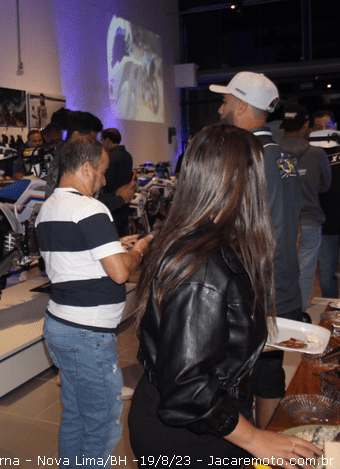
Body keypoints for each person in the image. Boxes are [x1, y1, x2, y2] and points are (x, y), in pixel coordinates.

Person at [128, 124, 322, 469]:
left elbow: (200, 338)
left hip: (206, 417)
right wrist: (256, 439)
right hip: (186, 437)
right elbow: (187, 389)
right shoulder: (201, 266)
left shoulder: (207, 241)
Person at [35, 135, 152, 468]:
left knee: (75, 416)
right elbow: (120, 273)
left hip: (60, 325)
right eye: (101, 171)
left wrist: (115, 245)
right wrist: (138, 250)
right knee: (101, 424)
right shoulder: (89, 208)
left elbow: (77, 256)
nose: (103, 180)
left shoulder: (48, 208)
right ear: (86, 168)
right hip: (87, 333)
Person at [210, 71, 300, 428]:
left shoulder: (245, 158)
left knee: (238, 374)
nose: (221, 109)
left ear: (243, 106)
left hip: (251, 289)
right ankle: (268, 445)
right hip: (283, 284)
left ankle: (251, 446)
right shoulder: (284, 157)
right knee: (269, 372)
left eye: (226, 101)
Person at [277, 104, 331, 310]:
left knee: (278, 277)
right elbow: (324, 186)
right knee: (305, 277)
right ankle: (298, 318)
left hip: (280, 224)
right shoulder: (317, 154)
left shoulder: (272, 152)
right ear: (306, 125)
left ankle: (280, 318)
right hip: (309, 220)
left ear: (282, 124)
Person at [311, 110, 340, 298]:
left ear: (335, 127)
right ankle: (333, 310)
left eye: (327, 126)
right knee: (327, 272)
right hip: (325, 223)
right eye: (319, 127)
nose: (323, 130)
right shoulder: (310, 153)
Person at [99, 128, 136, 236]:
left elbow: (107, 182)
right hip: (125, 201)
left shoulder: (110, 157)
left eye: (102, 140)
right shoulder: (127, 155)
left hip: (112, 202)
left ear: (107, 140)